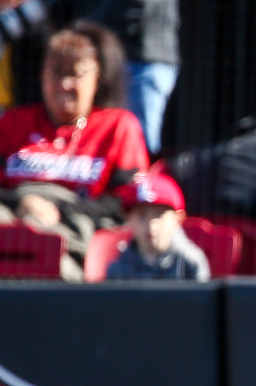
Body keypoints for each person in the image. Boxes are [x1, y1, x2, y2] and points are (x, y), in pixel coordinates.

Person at [0, 20, 149, 281]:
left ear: (97, 79)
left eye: (75, 74)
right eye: (55, 73)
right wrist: (22, 202)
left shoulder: (118, 126)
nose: (64, 84)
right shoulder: (14, 122)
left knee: (41, 239)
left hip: (76, 230)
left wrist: (60, 209)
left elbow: (128, 200)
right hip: (14, 218)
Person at [88, 0, 181, 156]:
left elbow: (134, 11)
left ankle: (142, 171)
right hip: (136, 60)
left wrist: (83, 26)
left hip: (144, 60)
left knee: (141, 138)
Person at [106, 170, 208, 280]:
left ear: (178, 219)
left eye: (160, 215)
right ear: (128, 219)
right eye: (142, 215)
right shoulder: (118, 268)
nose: (151, 224)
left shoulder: (190, 262)